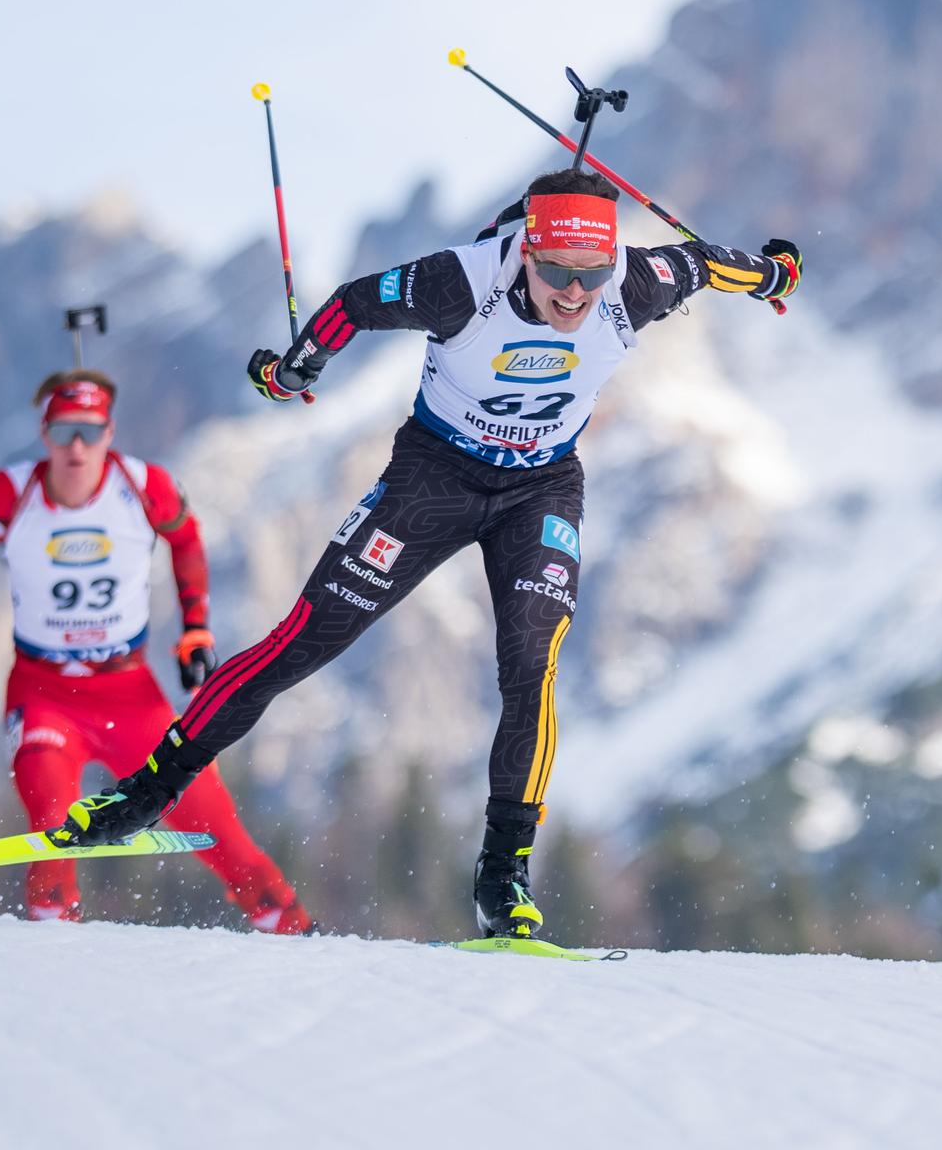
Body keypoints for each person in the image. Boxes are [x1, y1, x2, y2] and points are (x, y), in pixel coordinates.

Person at [57, 169, 801, 939]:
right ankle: (145, 792)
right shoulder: (457, 283)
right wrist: (290, 372)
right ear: (525, 255)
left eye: (590, 274)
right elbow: (350, 304)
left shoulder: (639, 279)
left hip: (539, 491)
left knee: (531, 666)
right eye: (555, 274)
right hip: (433, 479)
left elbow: (712, 263)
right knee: (302, 643)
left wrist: (777, 274)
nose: (575, 294)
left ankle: (502, 876)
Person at [0, 370, 312, 933]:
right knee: (52, 829)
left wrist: (195, 629)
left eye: (90, 431)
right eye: (64, 431)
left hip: (129, 693)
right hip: (44, 694)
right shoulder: (9, 493)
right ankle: (52, 950)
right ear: (45, 435)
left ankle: (296, 932)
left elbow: (186, 540)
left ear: (110, 432)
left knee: (220, 833)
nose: (77, 447)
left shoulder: (143, 486)